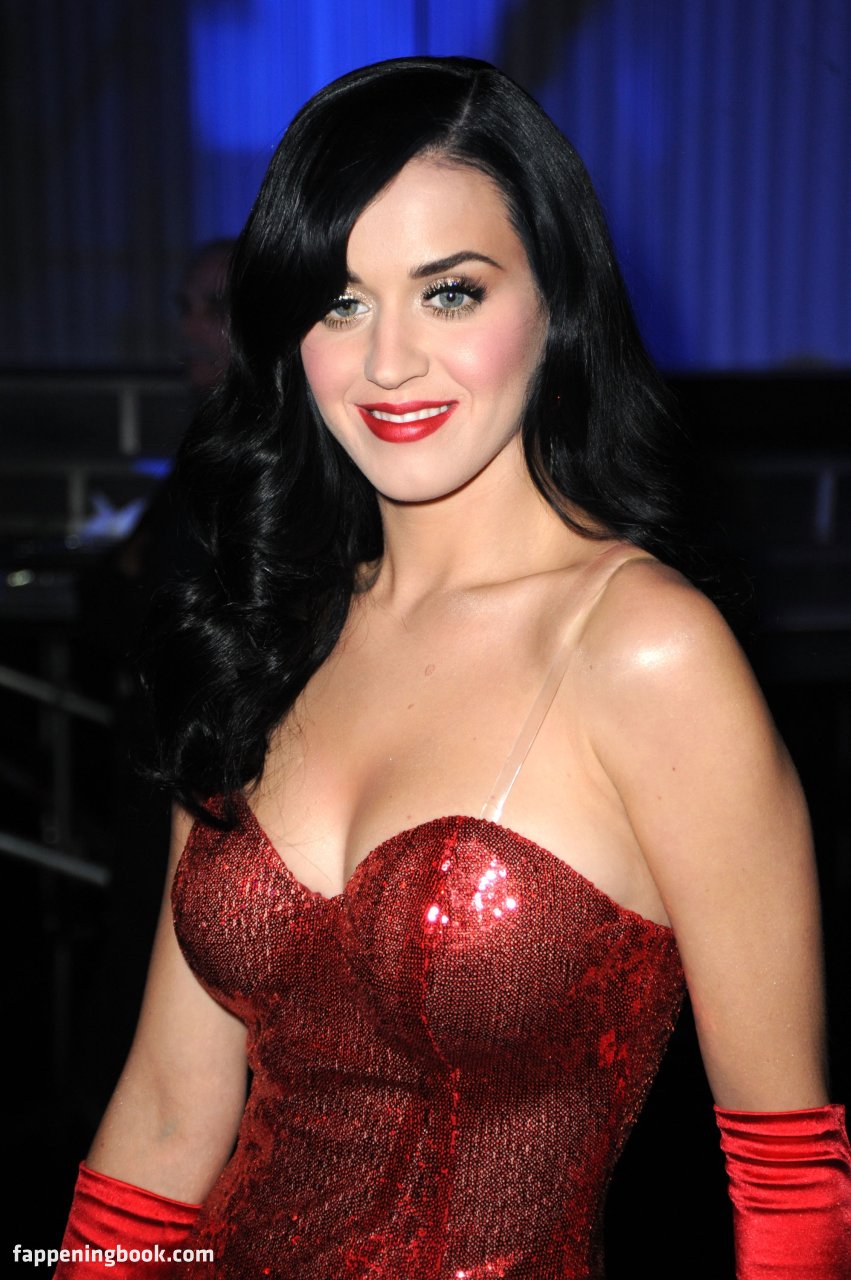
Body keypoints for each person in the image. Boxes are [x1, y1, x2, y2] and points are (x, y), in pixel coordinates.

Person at [56, 56, 851, 1279]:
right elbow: (165, 1118)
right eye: (338, 302)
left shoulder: (645, 651)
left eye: (448, 292)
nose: (387, 363)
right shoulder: (260, 630)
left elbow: (787, 1181)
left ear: (554, 301)